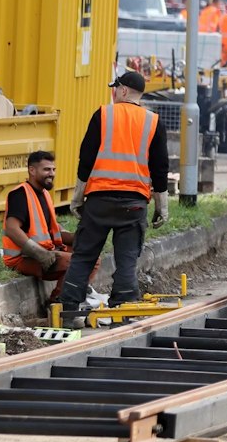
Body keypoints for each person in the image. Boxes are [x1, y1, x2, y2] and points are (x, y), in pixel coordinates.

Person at [60, 70, 170, 313]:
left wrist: (77, 198)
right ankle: (123, 306)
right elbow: (160, 168)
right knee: (127, 259)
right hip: (134, 203)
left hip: (99, 199)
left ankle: (69, 308)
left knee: (84, 256)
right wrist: (162, 207)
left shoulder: (103, 115)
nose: (113, 93)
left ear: (122, 90)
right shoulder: (153, 121)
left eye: (114, 88)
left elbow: (85, 160)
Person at [2, 149, 72, 304]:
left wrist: (78, 238)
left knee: (92, 257)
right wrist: (39, 253)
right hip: (23, 258)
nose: (51, 173)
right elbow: (11, 228)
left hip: (45, 253)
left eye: (53, 169)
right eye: (46, 169)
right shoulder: (20, 194)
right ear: (32, 170)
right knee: (79, 262)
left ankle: (76, 294)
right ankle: (60, 302)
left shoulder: (44, 194)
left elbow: (51, 228)